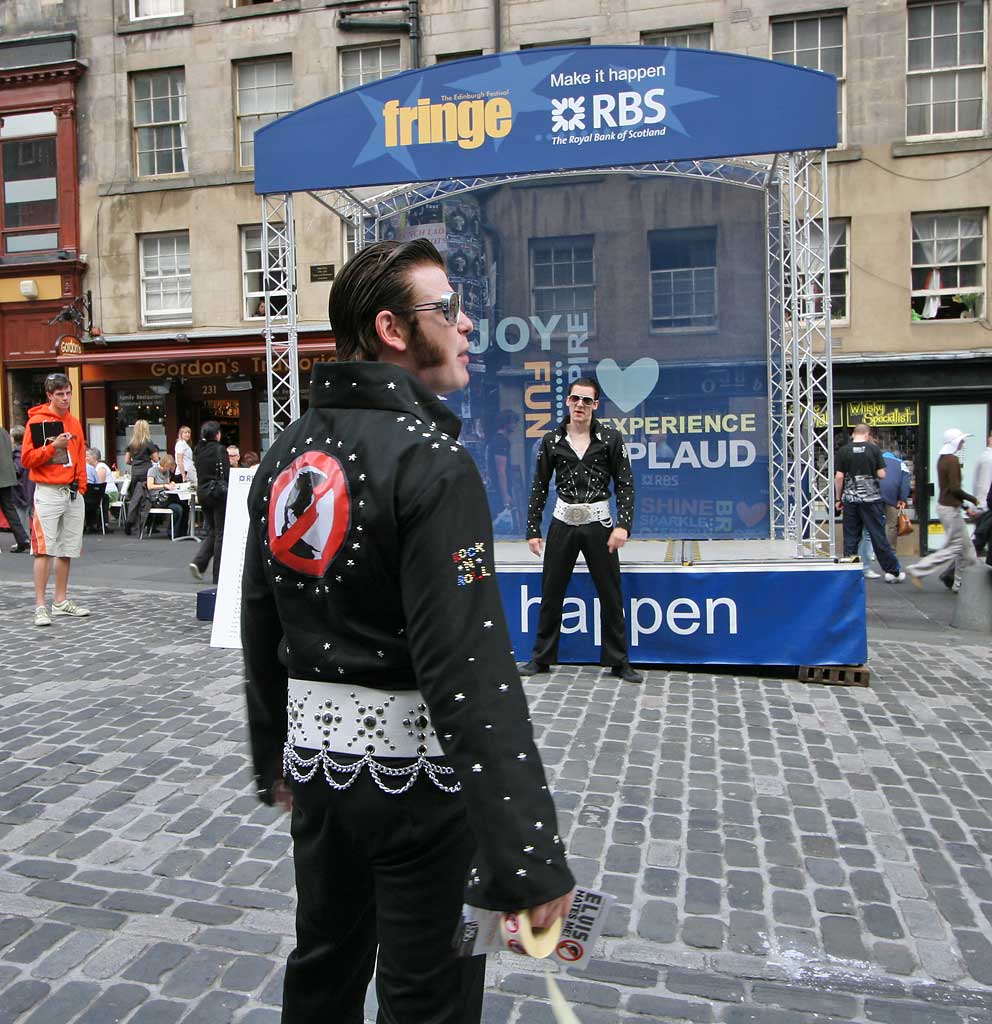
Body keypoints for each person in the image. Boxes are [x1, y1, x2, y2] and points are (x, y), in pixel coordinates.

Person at [241, 239, 574, 1024]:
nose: (467, 328)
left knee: (322, 968)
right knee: (430, 995)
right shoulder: (434, 463)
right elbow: (467, 668)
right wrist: (528, 856)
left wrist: (274, 761)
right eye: (448, 310)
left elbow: (261, 621)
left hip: (320, 777)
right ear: (393, 329)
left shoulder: (286, 452)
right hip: (420, 795)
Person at [520, 377, 642, 683]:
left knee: (610, 594)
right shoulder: (551, 441)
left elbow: (625, 483)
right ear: (567, 401)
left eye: (587, 401)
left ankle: (619, 660)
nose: (580, 405)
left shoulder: (611, 439)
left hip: (599, 524)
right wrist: (533, 528)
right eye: (575, 399)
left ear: (595, 405)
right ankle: (542, 657)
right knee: (551, 592)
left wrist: (624, 525)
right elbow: (539, 486)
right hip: (562, 523)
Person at [20, 373, 90, 626]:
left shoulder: (74, 422)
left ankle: (60, 600)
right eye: (59, 394)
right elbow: (27, 460)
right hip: (48, 491)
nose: (65, 398)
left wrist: (81, 486)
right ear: (50, 395)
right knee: (43, 549)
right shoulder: (37, 422)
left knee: (67, 548)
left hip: (71, 491)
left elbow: (80, 455)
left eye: (68, 393)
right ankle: (40, 605)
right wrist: (53, 447)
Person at [908, 428, 980, 592]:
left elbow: (948, 489)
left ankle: (960, 583)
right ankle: (918, 570)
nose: (963, 443)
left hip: (948, 507)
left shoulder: (943, 459)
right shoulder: (952, 460)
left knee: (967, 549)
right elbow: (954, 488)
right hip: (950, 509)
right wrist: (973, 500)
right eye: (961, 441)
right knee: (955, 547)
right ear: (955, 442)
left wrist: (964, 506)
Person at [835, 423, 905, 583]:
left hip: (851, 500)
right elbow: (881, 474)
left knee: (851, 536)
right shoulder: (873, 450)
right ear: (867, 434)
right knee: (877, 535)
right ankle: (893, 571)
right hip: (871, 499)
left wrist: (839, 499)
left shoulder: (844, 450)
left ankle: (849, 572)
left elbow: (839, 477)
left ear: (853, 434)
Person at [189, 421, 229, 583]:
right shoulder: (219, 449)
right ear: (217, 434)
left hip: (203, 493)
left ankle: (199, 563)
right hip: (218, 493)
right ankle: (218, 574)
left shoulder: (198, 450)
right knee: (220, 533)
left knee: (213, 530)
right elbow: (226, 473)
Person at [123, 419, 159, 536]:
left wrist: (135, 463)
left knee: (135, 499)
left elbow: (127, 460)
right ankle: (144, 524)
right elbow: (156, 459)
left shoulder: (131, 444)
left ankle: (130, 521)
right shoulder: (149, 443)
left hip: (135, 472)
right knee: (146, 499)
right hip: (146, 472)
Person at [0, 425, 31, 552]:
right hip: (7, 476)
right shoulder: (4, 432)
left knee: (10, 510)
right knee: (10, 510)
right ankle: (22, 539)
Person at [146, 453, 188, 536]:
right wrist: (164, 485)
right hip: (156, 499)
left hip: (166, 497)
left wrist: (171, 484)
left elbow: (168, 483)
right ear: (164, 464)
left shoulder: (167, 473)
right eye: (168, 466)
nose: (168, 469)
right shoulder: (152, 470)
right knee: (178, 508)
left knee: (183, 507)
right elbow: (150, 486)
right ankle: (173, 532)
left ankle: (180, 532)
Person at [10, 426, 34, 540]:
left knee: (22, 515)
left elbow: (17, 470)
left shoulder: (18, 452)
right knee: (31, 514)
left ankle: (25, 539)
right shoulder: (27, 449)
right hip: (30, 486)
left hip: (22, 488)